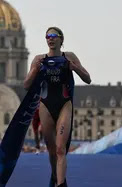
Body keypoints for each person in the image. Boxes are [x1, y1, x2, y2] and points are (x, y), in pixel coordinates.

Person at [23, 27, 91, 187]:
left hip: (64, 104)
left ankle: (61, 184)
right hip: (45, 106)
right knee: (52, 151)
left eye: (53, 36)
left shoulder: (69, 57)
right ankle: (55, 177)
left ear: (61, 39)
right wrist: (34, 70)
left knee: (61, 149)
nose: (50, 39)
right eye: (47, 36)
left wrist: (75, 68)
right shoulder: (39, 59)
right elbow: (26, 85)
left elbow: (88, 79)